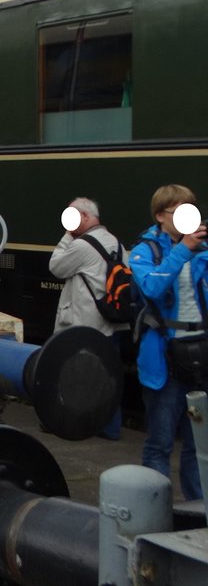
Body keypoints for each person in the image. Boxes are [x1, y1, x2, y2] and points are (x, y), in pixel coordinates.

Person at [130, 184, 208, 501]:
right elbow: (151, 287)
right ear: (160, 216)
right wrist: (182, 251)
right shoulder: (145, 251)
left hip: (202, 352)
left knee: (199, 444)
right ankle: (157, 512)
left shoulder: (202, 249)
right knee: (160, 443)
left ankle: (198, 511)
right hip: (164, 358)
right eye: (179, 212)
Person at [48, 196, 126, 438]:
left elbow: (56, 267)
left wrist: (66, 236)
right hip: (109, 321)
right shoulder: (116, 243)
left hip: (83, 323)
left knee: (77, 377)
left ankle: (76, 425)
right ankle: (111, 427)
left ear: (84, 217)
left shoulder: (82, 246)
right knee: (107, 376)